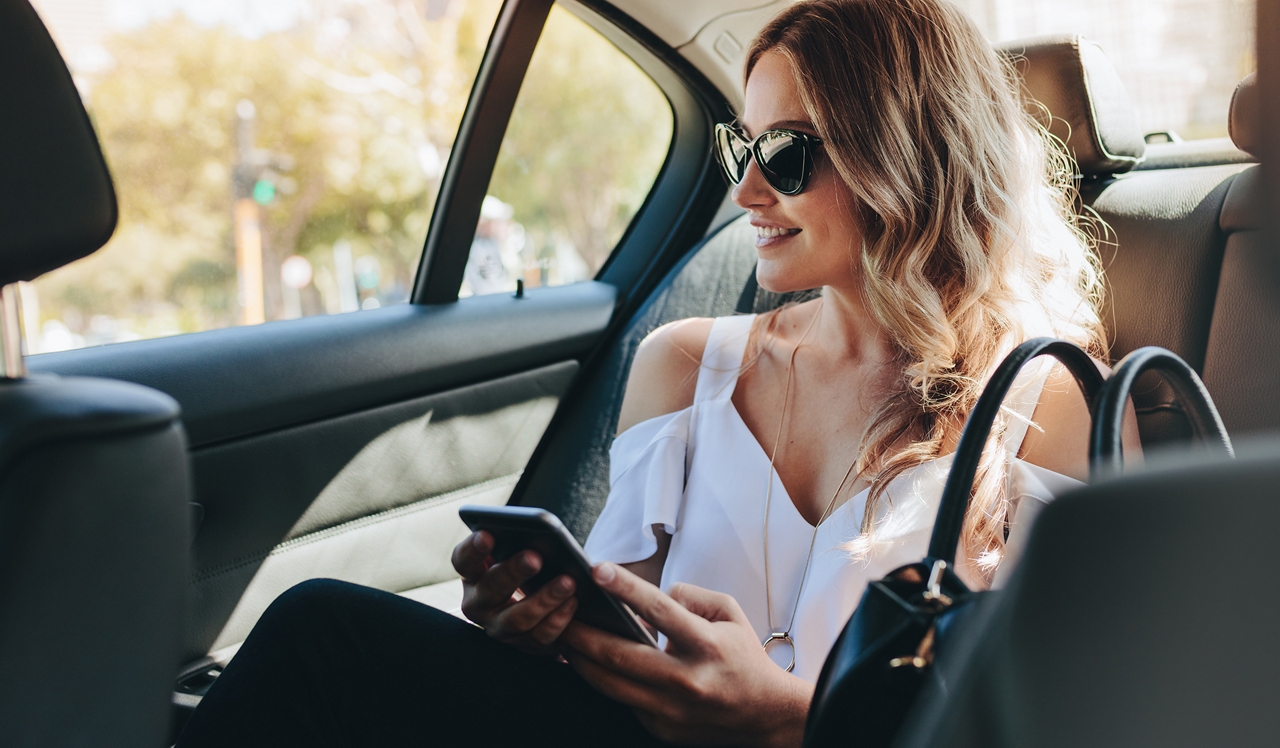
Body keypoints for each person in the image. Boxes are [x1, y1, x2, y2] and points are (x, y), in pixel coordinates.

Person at [176, 1, 1141, 746]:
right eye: (740, 146)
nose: (746, 190)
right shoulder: (687, 366)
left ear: (906, 155)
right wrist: (541, 618)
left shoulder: (1046, 399)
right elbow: (614, 633)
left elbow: (1072, 715)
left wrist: (795, 721)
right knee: (320, 634)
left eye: (786, 155)